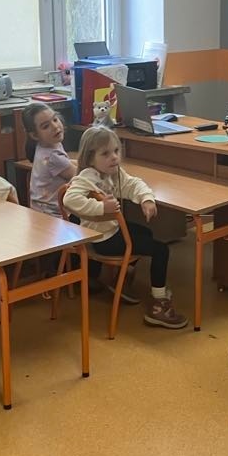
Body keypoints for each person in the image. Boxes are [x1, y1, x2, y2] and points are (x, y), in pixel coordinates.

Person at [61, 125, 188, 329]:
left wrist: (146, 199)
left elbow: (133, 184)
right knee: (161, 250)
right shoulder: (87, 177)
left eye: (116, 151)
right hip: (104, 239)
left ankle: (122, 277)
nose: (114, 157)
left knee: (146, 232)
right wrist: (101, 207)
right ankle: (159, 303)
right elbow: (70, 199)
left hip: (108, 231)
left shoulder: (111, 173)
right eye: (105, 154)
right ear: (90, 158)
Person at [22, 101, 76, 216]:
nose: (55, 126)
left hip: (39, 212)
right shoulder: (53, 157)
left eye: (55, 119)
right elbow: (78, 175)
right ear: (34, 135)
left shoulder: (45, 146)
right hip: (54, 217)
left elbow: (66, 163)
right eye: (46, 126)